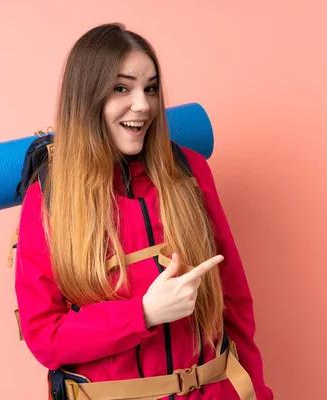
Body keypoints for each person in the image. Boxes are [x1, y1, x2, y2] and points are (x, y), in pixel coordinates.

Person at [15, 23, 274, 400]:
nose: (143, 104)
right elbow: (46, 338)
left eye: (150, 88)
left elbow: (235, 304)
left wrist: (259, 394)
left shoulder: (190, 171)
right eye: (122, 88)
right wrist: (144, 314)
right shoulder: (47, 199)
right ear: (87, 98)